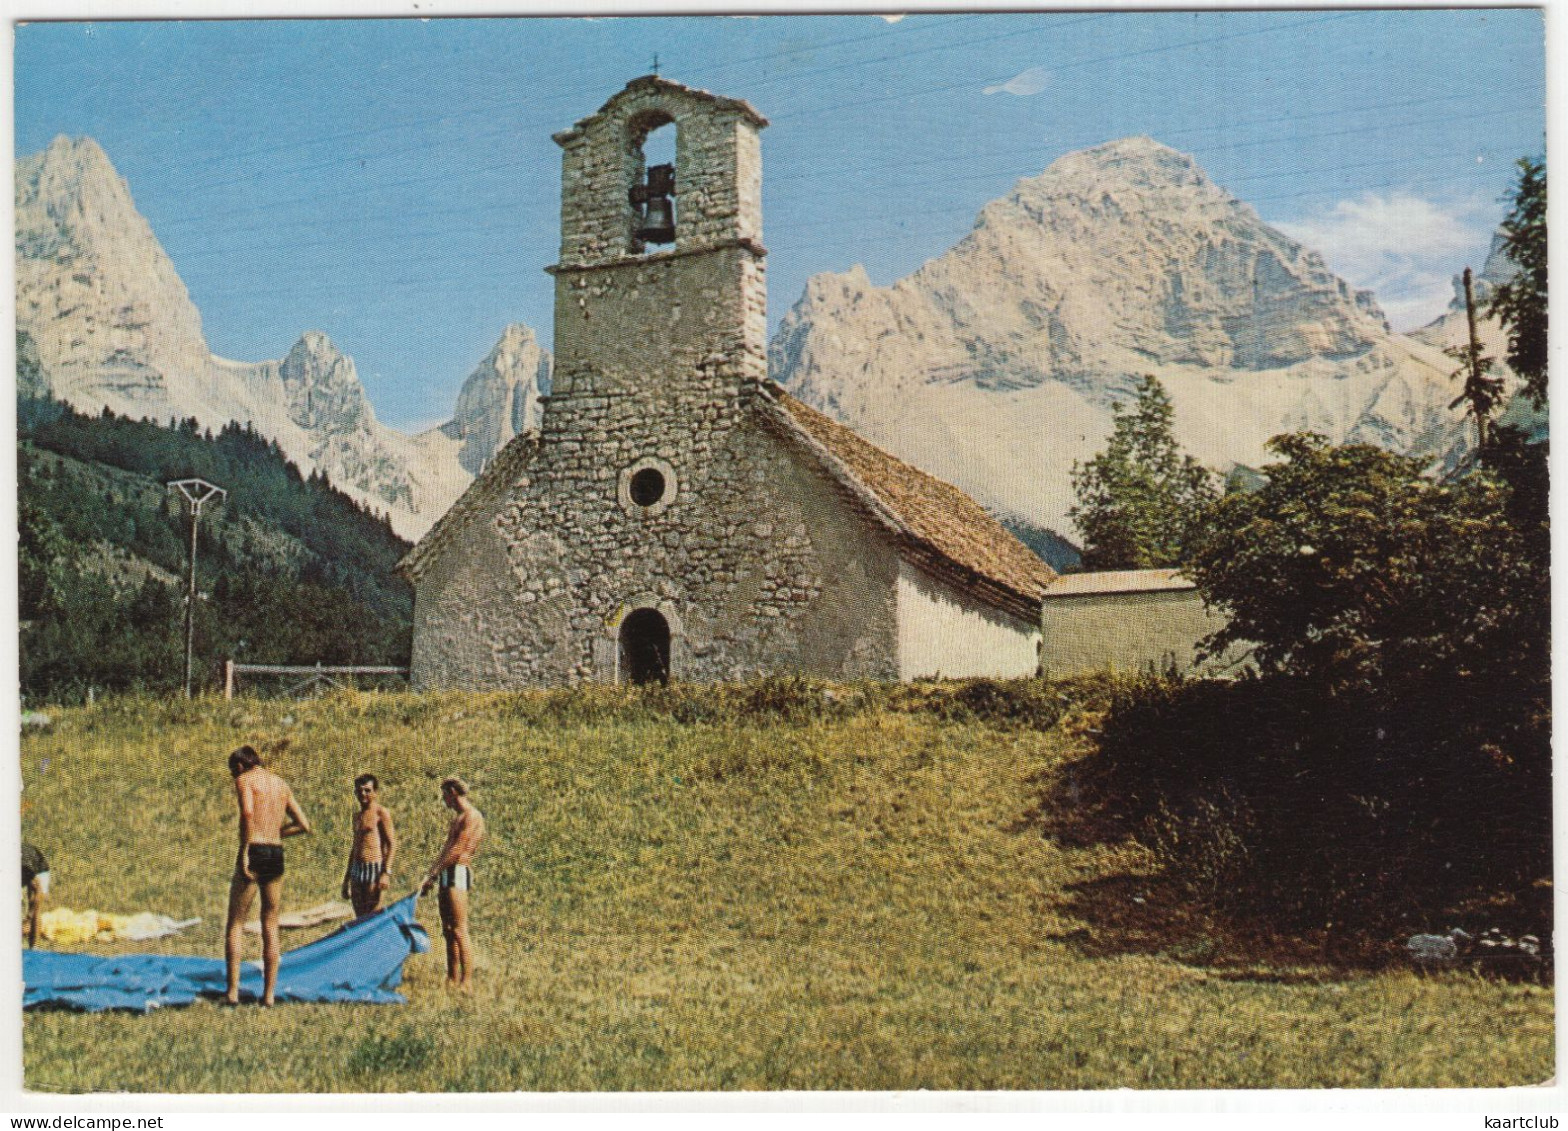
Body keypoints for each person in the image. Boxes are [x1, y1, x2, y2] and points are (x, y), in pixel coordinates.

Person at [224, 745, 311, 1006]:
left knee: (236, 923)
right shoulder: (280, 784)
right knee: (271, 923)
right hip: (275, 851)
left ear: (240, 766)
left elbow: (248, 812)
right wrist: (275, 831)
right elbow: (303, 824)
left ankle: (232, 993)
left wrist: (246, 849)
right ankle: (269, 995)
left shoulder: (245, 780)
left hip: (255, 849)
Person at [419, 777, 486, 990]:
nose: (443, 800)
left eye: (445, 794)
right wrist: (431, 875)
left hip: (458, 871)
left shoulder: (472, 817)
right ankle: (451, 977)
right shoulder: (457, 819)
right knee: (447, 929)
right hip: (447, 872)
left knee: (459, 929)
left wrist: (434, 874)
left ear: (453, 792)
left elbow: (458, 849)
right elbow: (446, 849)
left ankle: (466, 982)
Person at [341, 773, 397, 918]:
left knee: (373, 915)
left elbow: (391, 844)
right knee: (359, 916)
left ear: (375, 792)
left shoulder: (380, 813)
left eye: (367, 790)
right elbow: (355, 848)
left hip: (373, 867)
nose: (363, 794)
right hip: (357, 869)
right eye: (359, 791)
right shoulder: (357, 816)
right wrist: (346, 879)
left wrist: (386, 873)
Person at [21, 842, 50, 949]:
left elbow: (39, 892)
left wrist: (29, 916)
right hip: (25, 867)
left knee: (35, 907)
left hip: (39, 869)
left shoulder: (24, 866)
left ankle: (35, 947)